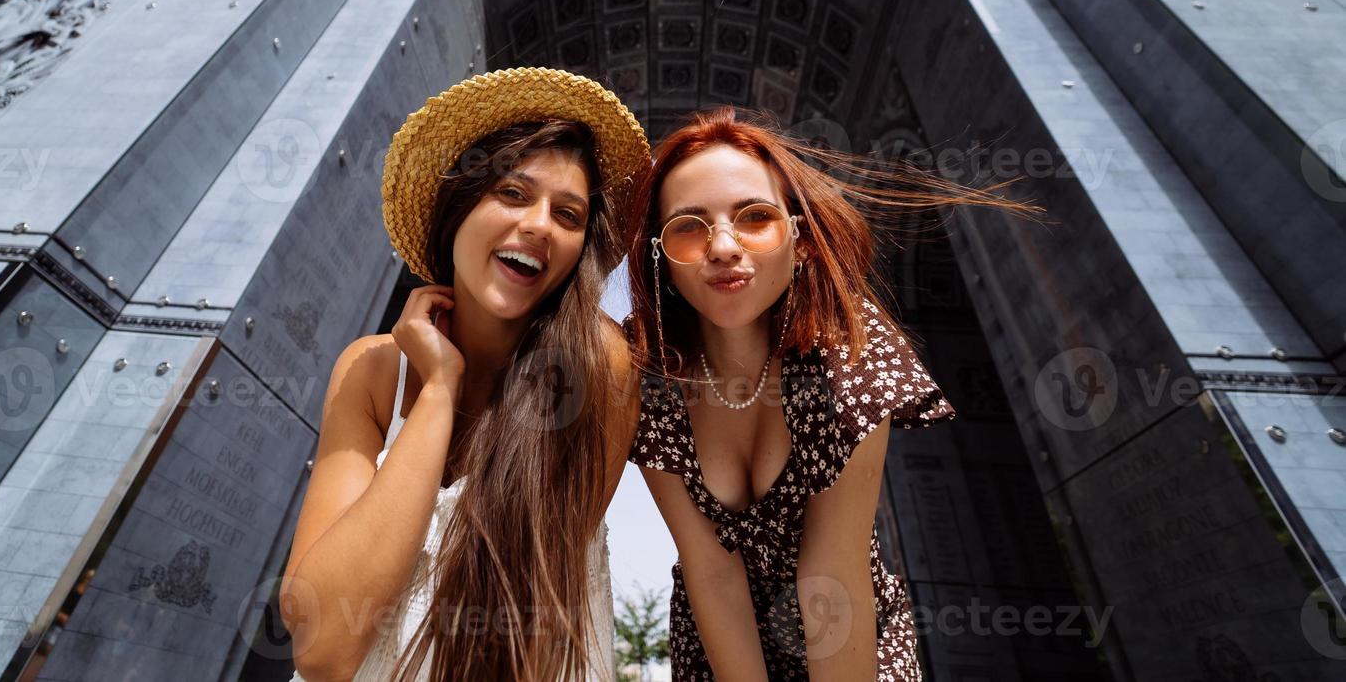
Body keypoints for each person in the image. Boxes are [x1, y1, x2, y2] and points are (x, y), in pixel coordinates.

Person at [622, 106, 1045, 680]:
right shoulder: (647, 368)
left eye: (754, 217)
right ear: (660, 257)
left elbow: (834, 572)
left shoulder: (846, 347)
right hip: (720, 643)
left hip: (848, 640)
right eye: (689, 227)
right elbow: (709, 569)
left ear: (798, 241)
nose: (722, 245)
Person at [281, 67, 652, 682]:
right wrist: (439, 391)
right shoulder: (372, 371)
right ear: (458, 206)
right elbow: (322, 647)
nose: (538, 224)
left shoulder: (596, 372)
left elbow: (529, 625)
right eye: (512, 193)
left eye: (568, 214)